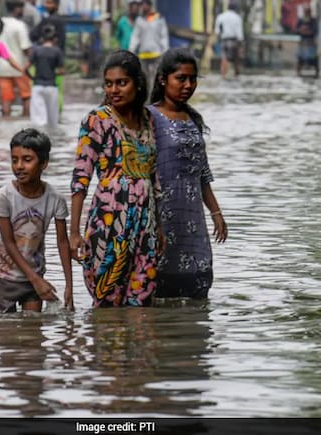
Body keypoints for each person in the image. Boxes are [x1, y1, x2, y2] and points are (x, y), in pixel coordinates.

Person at [70, 50, 162, 308]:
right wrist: (74, 232)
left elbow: (154, 177)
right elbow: (80, 178)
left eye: (122, 83)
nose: (114, 90)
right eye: (109, 84)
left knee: (142, 302)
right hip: (109, 222)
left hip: (146, 225)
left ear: (138, 83)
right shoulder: (97, 120)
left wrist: (160, 227)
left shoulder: (148, 120)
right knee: (107, 302)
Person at [148, 48, 227, 299]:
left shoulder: (192, 119)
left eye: (193, 79)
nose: (188, 85)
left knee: (197, 290)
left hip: (192, 222)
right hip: (160, 216)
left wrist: (216, 213)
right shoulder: (149, 117)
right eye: (181, 79)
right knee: (157, 289)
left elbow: (201, 173)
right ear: (163, 80)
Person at [0, 128, 73, 313]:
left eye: (27, 160)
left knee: (33, 327)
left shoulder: (55, 199)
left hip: (34, 275)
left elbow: (62, 242)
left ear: (44, 163)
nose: (19, 166)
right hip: (4, 277)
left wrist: (69, 286)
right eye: (14, 160)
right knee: (5, 327)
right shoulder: (3, 197)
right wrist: (36, 280)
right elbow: (9, 243)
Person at [0, 1, 34, 118]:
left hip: (2, 67)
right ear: (17, 9)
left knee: (6, 98)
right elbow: (25, 48)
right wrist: (32, 60)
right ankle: (26, 120)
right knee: (26, 96)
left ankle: (6, 121)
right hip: (20, 67)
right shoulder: (19, 25)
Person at [129, 0, 169, 91]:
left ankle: (156, 94)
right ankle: (146, 95)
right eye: (142, 5)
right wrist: (131, 49)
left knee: (156, 76)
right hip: (143, 54)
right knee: (144, 78)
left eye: (145, 4)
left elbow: (163, 35)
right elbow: (135, 36)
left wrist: (165, 50)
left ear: (150, 5)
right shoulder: (139, 20)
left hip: (156, 53)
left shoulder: (159, 19)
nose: (143, 7)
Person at [29, 25, 64, 128]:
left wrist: (33, 78)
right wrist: (53, 74)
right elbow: (62, 71)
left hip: (37, 86)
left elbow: (25, 68)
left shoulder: (36, 51)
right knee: (52, 121)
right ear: (54, 39)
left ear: (42, 38)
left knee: (38, 120)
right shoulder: (57, 51)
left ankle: (38, 137)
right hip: (51, 87)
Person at [214, 1, 244, 78]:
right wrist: (241, 45)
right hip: (234, 41)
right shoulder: (237, 17)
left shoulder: (221, 16)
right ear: (235, 8)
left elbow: (217, 31)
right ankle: (236, 76)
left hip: (224, 40)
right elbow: (239, 33)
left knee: (224, 58)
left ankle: (223, 75)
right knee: (236, 60)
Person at [296, 6, 320, 78]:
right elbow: (296, 30)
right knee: (301, 60)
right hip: (303, 44)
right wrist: (302, 30)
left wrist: (306, 31)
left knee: (314, 60)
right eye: (306, 12)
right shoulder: (301, 20)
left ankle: (316, 73)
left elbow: (314, 31)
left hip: (311, 44)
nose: (307, 13)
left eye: (308, 12)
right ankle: (299, 73)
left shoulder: (313, 21)